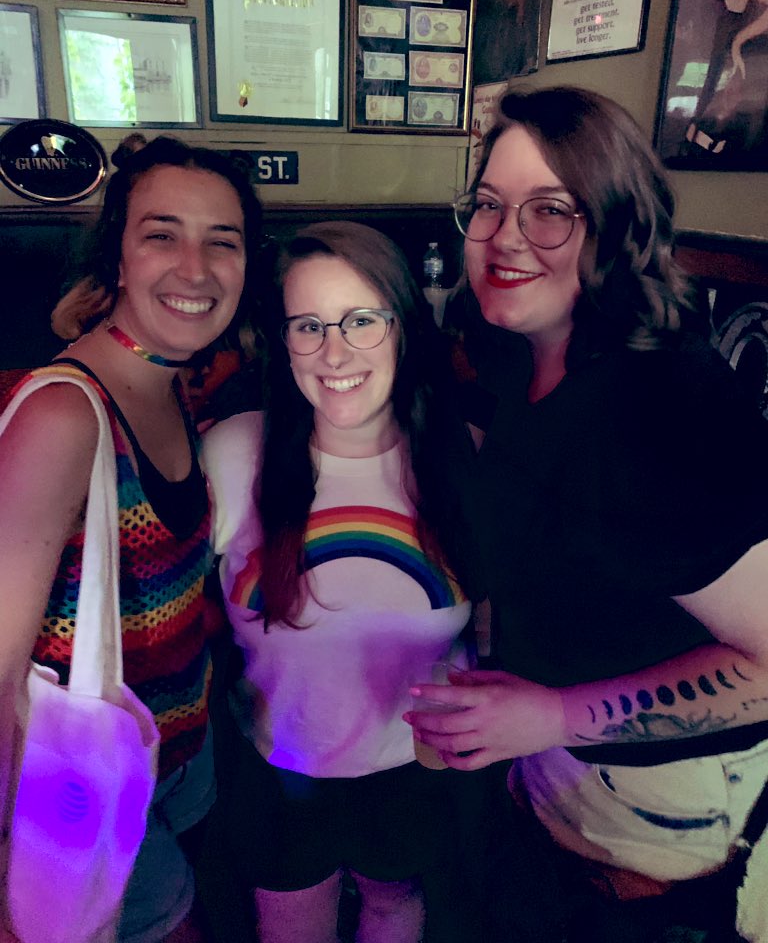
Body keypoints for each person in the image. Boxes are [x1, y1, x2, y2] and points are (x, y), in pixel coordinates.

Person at [405, 86, 768, 937]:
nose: (504, 237)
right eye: (488, 205)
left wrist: (554, 715)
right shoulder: (523, 354)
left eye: (550, 211)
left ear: (616, 228)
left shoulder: (659, 413)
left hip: (658, 819)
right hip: (557, 769)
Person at [0, 134, 262, 943]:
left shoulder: (168, 384)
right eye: (162, 234)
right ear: (117, 257)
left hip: (178, 759)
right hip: (78, 782)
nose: (196, 268)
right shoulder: (63, 414)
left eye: (223, 241)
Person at [202, 221, 477, 943]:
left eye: (362, 320)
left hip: (415, 772)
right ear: (283, 341)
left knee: (393, 905)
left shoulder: (467, 459)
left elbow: (502, 623)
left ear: (404, 328)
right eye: (308, 326)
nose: (334, 352)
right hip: (274, 769)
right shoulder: (232, 453)